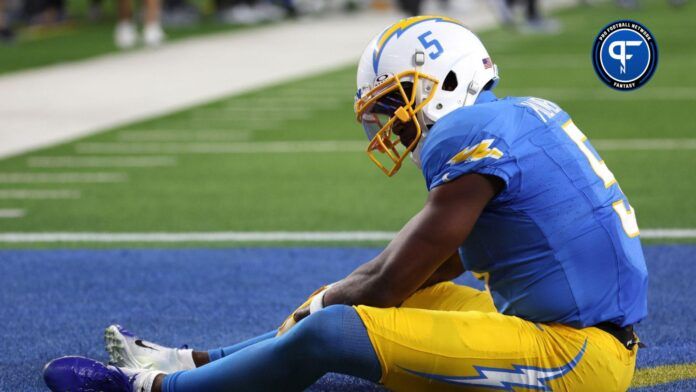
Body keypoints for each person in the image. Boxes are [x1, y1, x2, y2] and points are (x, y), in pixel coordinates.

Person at [43, 15, 648, 392]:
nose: (391, 122)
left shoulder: (468, 137)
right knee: (367, 296)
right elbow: (427, 269)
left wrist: (327, 301)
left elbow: (383, 285)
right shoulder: (521, 116)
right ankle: (196, 360)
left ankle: (153, 388)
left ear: (447, 83)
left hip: (573, 355)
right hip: (566, 327)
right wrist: (337, 291)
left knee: (333, 327)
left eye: (396, 100)